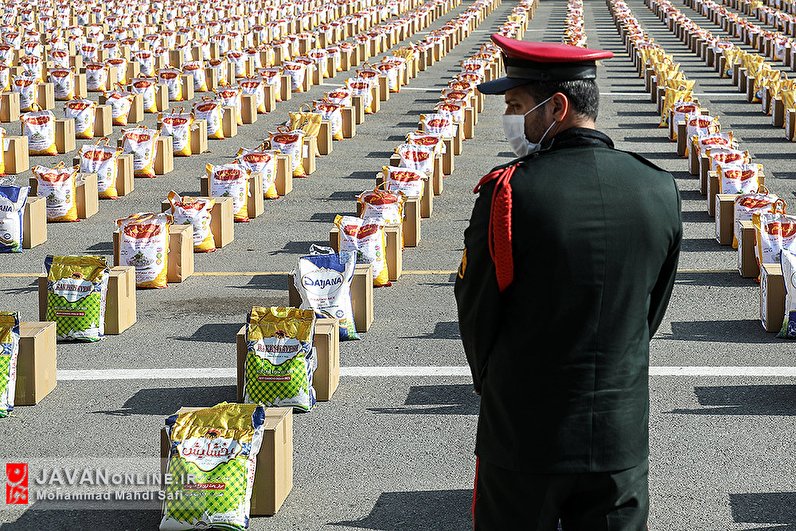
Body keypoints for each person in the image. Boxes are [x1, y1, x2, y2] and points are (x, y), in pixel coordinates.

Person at [454, 35, 683, 530]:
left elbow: (477, 313)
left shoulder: (510, 192)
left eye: (516, 105)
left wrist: (495, 386)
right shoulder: (658, 188)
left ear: (556, 106)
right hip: (618, 437)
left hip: (525, 435)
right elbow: (649, 313)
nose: (510, 118)